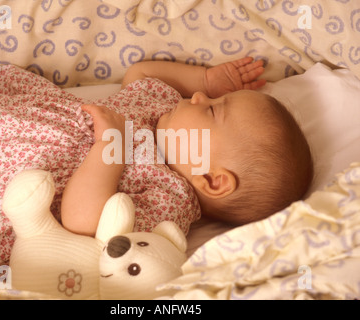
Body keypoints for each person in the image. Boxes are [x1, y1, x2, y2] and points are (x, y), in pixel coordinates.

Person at [61, 57, 313, 236]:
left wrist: (110, 146)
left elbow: (85, 221)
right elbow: (140, 75)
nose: (198, 96)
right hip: (31, 106)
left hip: (31, 163)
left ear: (212, 180)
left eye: (213, 109)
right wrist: (205, 79)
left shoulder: (169, 200)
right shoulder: (164, 109)